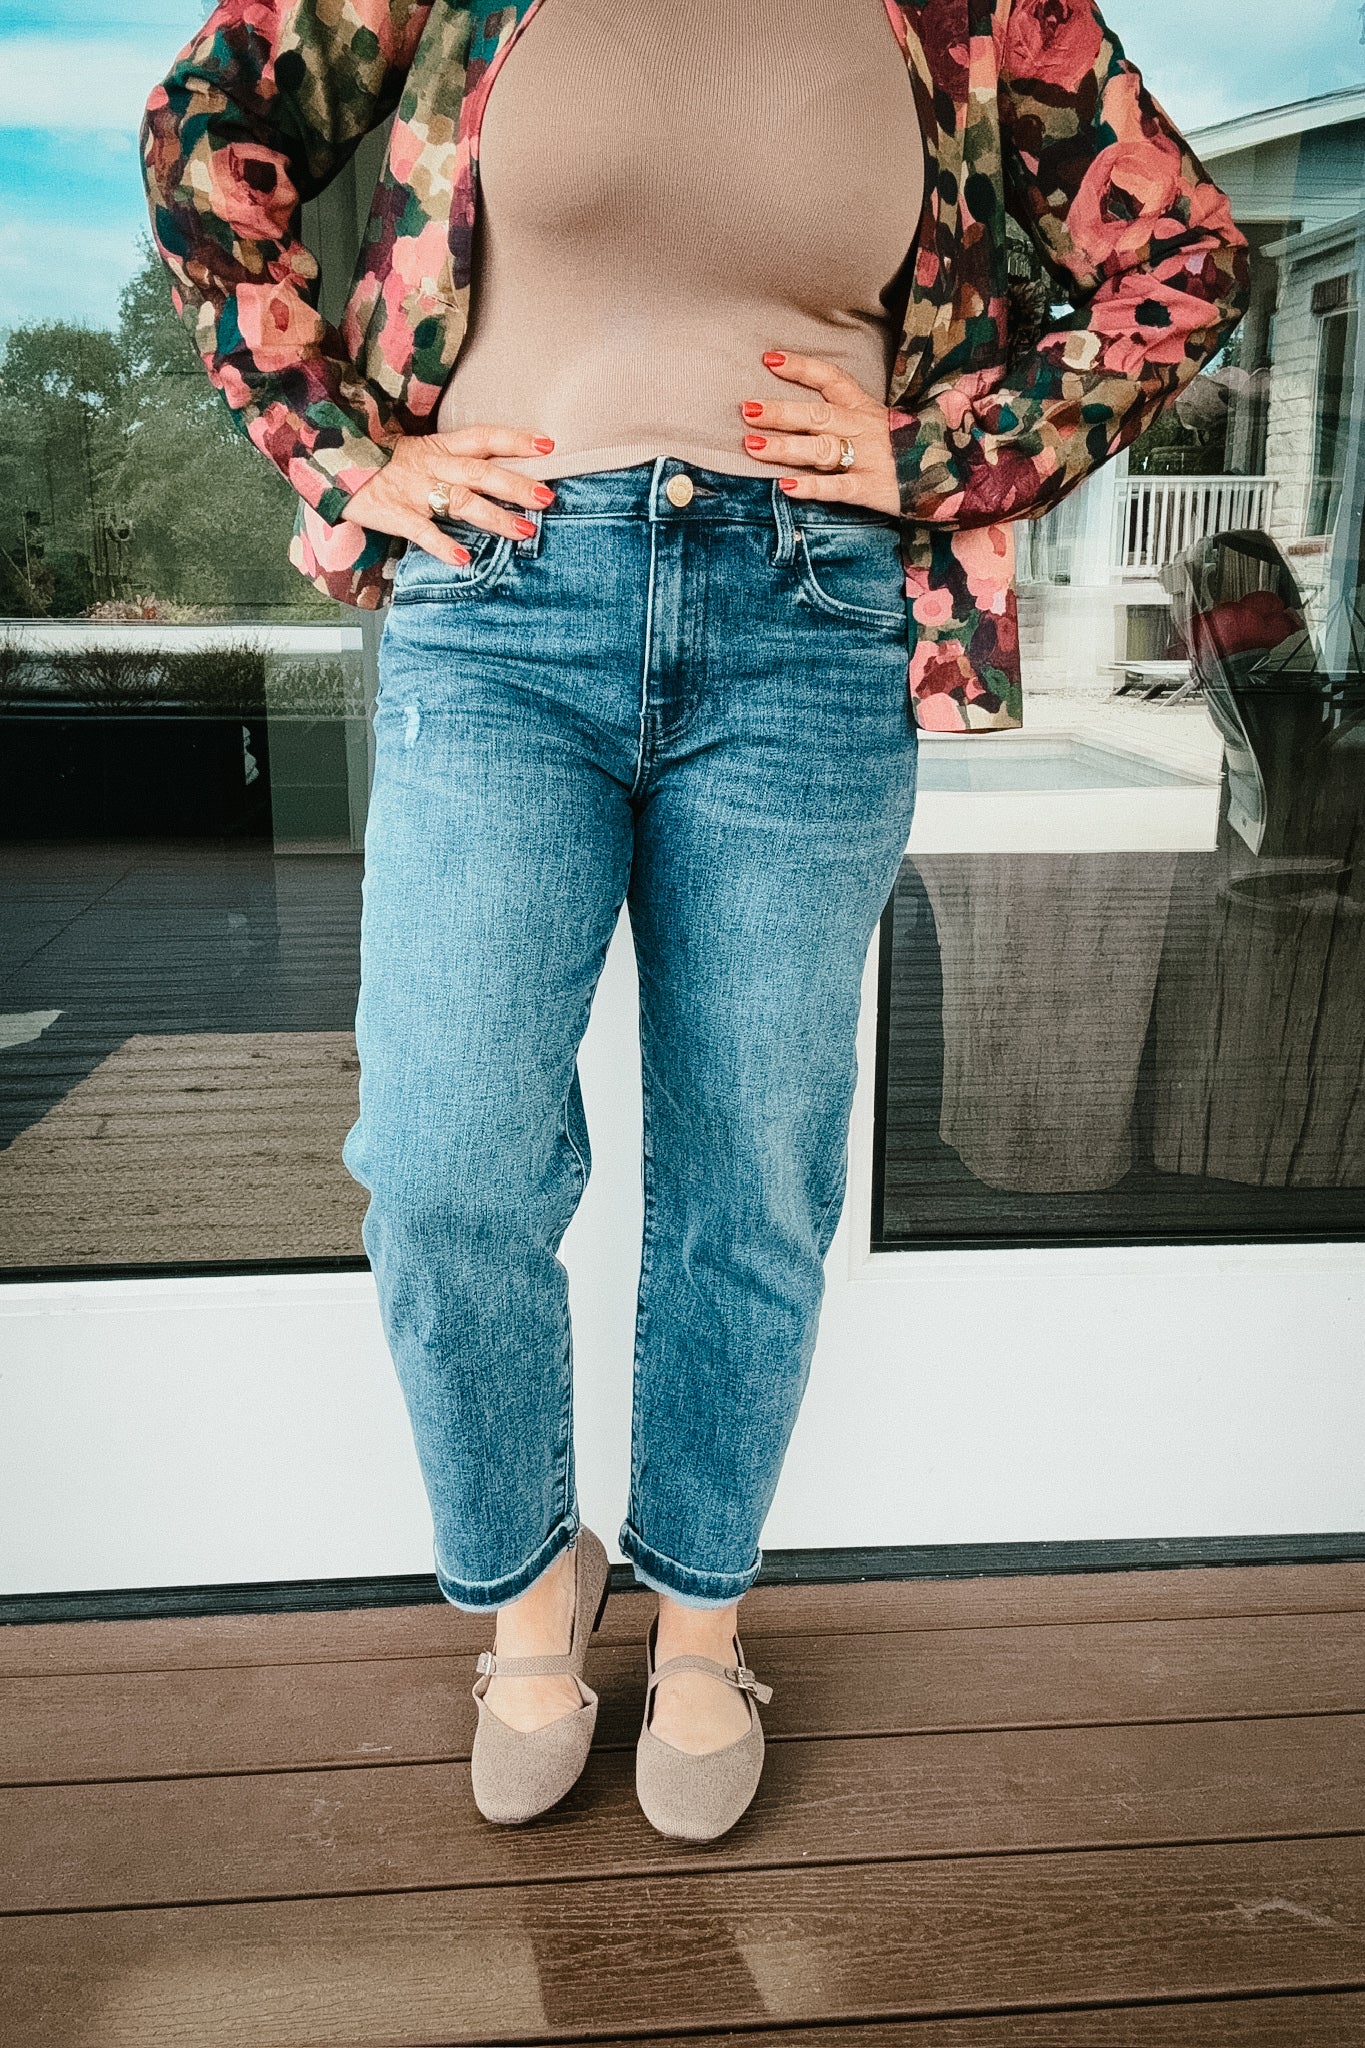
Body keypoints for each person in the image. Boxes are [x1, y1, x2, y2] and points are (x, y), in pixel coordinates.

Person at [141, 0, 1248, 1838]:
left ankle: (705, 1619)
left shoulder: (987, 18)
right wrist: (342, 450)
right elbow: (205, 133)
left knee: (753, 1169)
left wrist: (950, 448)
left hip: (811, 619)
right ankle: (529, 1592)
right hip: (501, 597)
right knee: (445, 1160)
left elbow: (1184, 256)